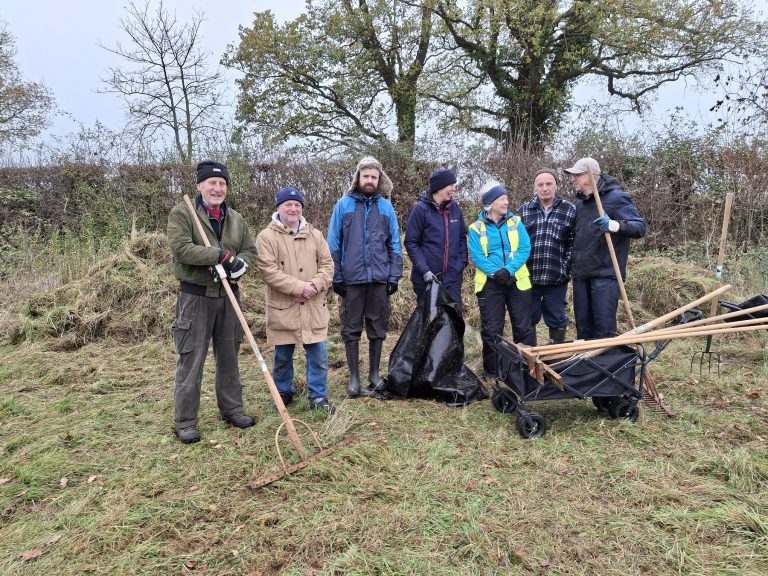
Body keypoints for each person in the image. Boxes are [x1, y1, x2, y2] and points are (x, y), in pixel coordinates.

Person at [167, 160, 257, 444]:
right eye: (211, 183)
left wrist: (241, 264)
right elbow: (181, 249)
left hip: (229, 296)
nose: (217, 188)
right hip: (196, 298)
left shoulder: (236, 219)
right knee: (191, 358)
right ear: (199, 186)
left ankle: (232, 409)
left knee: (229, 356)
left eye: (222, 184)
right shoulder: (183, 213)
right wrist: (219, 256)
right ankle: (185, 421)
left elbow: (249, 249)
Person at [327, 156, 403, 398]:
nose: (370, 180)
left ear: (379, 180)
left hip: (379, 278)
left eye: (374, 177)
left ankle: (373, 374)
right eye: (366, 176)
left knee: (378, 327)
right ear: (358, 178)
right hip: (351, 279)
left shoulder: (386, 207)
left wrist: (394, 275)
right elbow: (333, 244)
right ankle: (354, 377)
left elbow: (395, 243)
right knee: (351, 328)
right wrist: (336, 276)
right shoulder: (344, 205)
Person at [255, 187, 336, 413]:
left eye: (297, 205)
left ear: (302, 208)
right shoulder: (266, 237)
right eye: (288, 204)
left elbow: (328, 265)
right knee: (282, 356)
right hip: (284, 308)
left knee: (318, 354)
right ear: (278, 207)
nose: (293, 208)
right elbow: (268, 272)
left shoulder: (316, 235)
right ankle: (283, 393)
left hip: (313, 307)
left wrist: (314, 286)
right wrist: (300, 287)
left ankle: (318, 397)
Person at [564, 157, 647, 340]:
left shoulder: (616, 198)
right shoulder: (580, 204)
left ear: (592, 175)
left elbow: (639, 227)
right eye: (572, 175)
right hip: (581, 275)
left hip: (605, 275)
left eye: (577, 175)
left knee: (604, 330)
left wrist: (614, 225)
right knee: (583, 330)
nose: (573, 179)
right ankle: (587, 367)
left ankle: (606, 366)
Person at [468, 182, 535, 378]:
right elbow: (477, 256)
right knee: (492, 329)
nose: (506, 201)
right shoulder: (475, 228)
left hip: (517, 282)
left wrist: (509, 270)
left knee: (524, 328)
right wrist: (497, 274)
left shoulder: (516, 222)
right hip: (491, 285)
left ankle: (527, 368)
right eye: (502, 198)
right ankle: (492, 371)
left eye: (506, 197)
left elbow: (525, 248)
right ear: (490, 203)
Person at [518, 168, 577, 344]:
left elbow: (573, 242)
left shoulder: (569, 209)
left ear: (556, 186)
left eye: (549, 184)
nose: (545, 188)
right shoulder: (523, 211)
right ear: (535, 188)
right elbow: (515, 243)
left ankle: (555, 360)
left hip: (557, 277)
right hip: (529, 277)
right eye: (540, 185)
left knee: (557, 318)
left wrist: (566, 266)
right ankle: (531, 362)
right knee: (528, 318)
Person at [404, 167, 468, 310]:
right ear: (439, 187)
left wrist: (462, 262)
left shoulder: (455, 209)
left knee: (453, 321)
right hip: (427, 280)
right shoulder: (420, 209)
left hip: (452, 279)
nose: (453, 188)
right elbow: (411, 242)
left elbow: (462, 237)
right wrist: (424, 270)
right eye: (450, 185)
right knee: (430, 324)